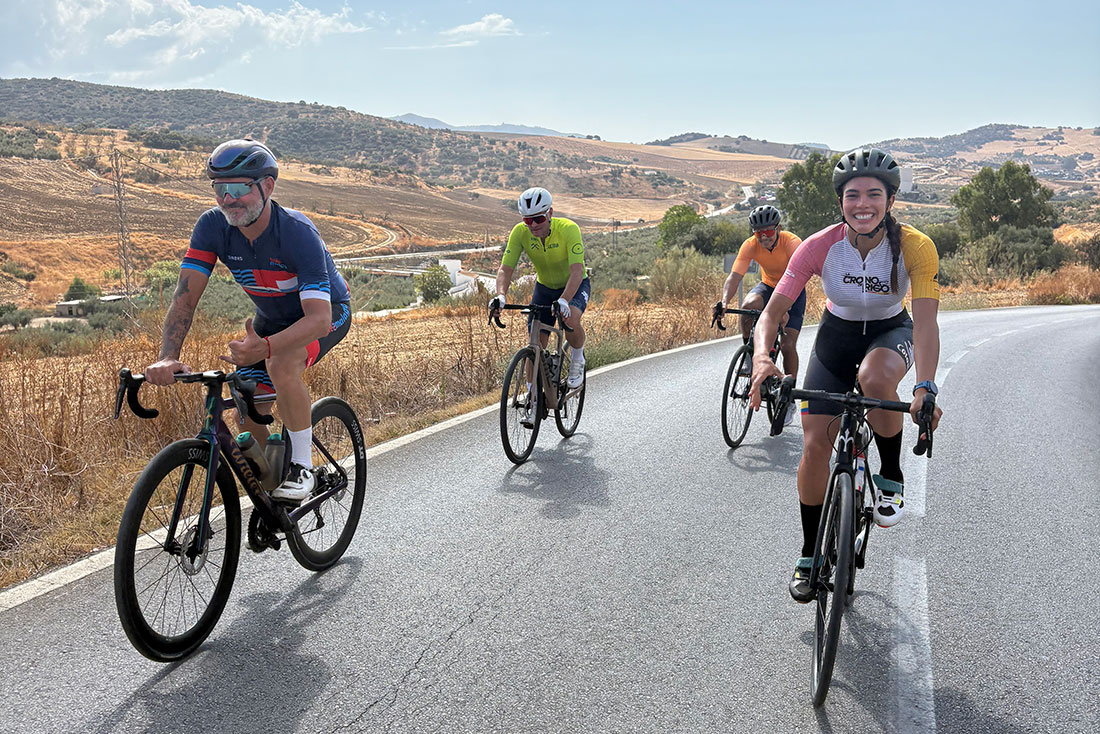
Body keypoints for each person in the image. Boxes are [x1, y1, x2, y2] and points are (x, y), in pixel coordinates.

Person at [748, 148, 943, 603]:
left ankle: (892, 473)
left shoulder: (915, 246)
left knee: (877, 380)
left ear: (890, 200)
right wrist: (761, 358)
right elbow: (772, 312)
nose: (863, 204)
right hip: (836, 336)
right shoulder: (819, 247)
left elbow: (927, 323)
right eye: (853, 195)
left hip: (891, 330)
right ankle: (810, 552)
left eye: (874, 194)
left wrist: (925, 386)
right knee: (815, 444)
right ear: (841, 202)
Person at [145, 139, 352, 503]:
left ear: (267, 186)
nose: (228, 199)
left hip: (326, 313)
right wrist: (167, 355)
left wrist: (267, 347)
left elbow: (318, 320)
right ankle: (271, 486)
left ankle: (302, 468)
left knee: (281, 362)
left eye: (239, 188)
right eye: (220, 189)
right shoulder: (211, 227)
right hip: (271, 320)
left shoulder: (297, 233)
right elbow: (184, 298)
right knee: (247, 397)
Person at [489, 187, 591, 394]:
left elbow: (577, 270)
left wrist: (564, 300)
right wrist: (500, 295)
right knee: (535, 344)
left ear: (550, 213)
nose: (533, 225)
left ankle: (578, 358)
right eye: (528, 221)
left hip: (574, 284)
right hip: (544, 288)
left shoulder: (568, 229)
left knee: (570, 320)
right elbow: (506, 268)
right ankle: (532, 396)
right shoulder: (519, 233)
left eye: (538, 219)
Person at [713, 204, 805, 425]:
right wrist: (724, 302)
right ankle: (750, 353)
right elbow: (735, 277)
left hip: (793, 291)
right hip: (768, 286)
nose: (763, 237)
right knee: (748, 305)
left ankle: (789, 395)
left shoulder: (792, 244)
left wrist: (785, 309)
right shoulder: (750, 245)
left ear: (779, 228)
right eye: (758, 233)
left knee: (788, 345)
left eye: (768, 232)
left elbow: (800, 277)